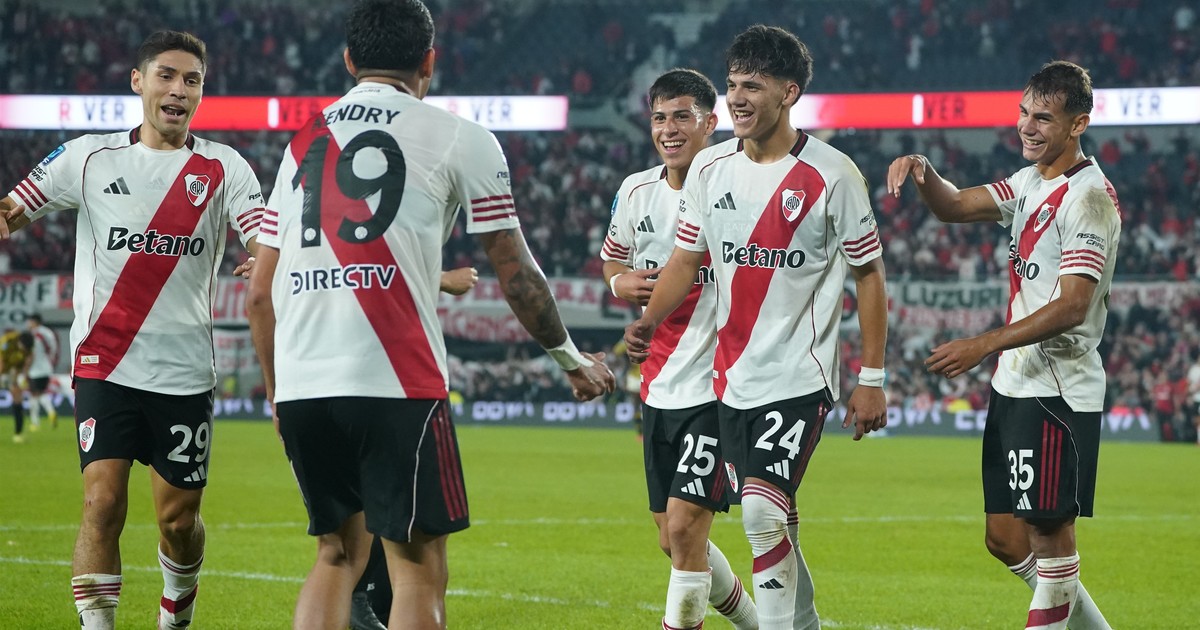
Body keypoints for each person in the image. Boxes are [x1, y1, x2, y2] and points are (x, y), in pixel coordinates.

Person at [244, 2, 614, 628]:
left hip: (305, 385)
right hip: (397, 381)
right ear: (429, 61)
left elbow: (259, 292)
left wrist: (279, 395)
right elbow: (516, 273)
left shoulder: (302, 141)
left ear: (349, 61)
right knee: (417, 569)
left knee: (336, 555)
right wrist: (570, 360)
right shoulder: (458, 136)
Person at [625, 25, 889, 630]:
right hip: (729, 382)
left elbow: (869, 275)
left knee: (761, 515)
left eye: (754, 86)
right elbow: (686, 260)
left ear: (789, 93)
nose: (738, 98)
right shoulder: (710, 167)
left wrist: (872, 378)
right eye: (733, 84)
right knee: (778, 519)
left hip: (799, 376)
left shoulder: (833, 175)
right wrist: (649, 319)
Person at [0, 30, 264, 629]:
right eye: (166, 75)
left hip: (184, 371)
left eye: (192, 80)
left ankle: (176, 616)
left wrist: (262, 259)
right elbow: (13, 208)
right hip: (105, 361)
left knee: (178, 520)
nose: (179, 89)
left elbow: (261, 236)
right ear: (138, 81)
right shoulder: (87, 157)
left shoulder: (224, 167)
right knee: (101, 503)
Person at [886, 60, 1117, 630]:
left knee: (1049, 535)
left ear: (1078, 124)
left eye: (1044, 118)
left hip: (1058, 390)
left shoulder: (1089, 199)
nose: (1027, 127)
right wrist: (923, 170)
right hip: (1016, 384)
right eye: (1024, 113)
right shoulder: (1030, 181)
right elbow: (953, 206)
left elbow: (1073, 305)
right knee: (1005, 538)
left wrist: (984, 343)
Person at [602, 68, 756, 630]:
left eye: (682, 117)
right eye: (659, 118)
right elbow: (612, 260)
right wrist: (619, 283)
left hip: (718, 387)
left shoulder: (740, 185)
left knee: (688, 529)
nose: (668, 129)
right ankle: (758, 625)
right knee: (672, 537)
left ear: (710, 123)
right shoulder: (635, 191)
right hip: (659, 386)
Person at [348, 265, 480, 630]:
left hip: (316, 390)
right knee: (419, 556)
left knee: (335, 551)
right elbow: (372, 260)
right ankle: (363, 599)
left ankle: (359, 597)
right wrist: (441, 278)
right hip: (394, 384)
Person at [26, 313, 60, 430]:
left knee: (33, 395)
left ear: (34, 322)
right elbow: (54, 350)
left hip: (35, 369)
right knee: (41, 393)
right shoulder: (49, 332)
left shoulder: (34, 334)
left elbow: (32, 354)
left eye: (29, 321)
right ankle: (51, 412)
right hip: (47, 367)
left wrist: (25, 370)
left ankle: (35, 422)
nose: (28, 324)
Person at [1, 326, 30, 443]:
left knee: (18, 400)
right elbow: (1, 360)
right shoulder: (7, 342)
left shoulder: (28, 346)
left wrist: (23, 375)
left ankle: (18, 432)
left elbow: (26, 361)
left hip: (13, 372)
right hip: (5, 370)